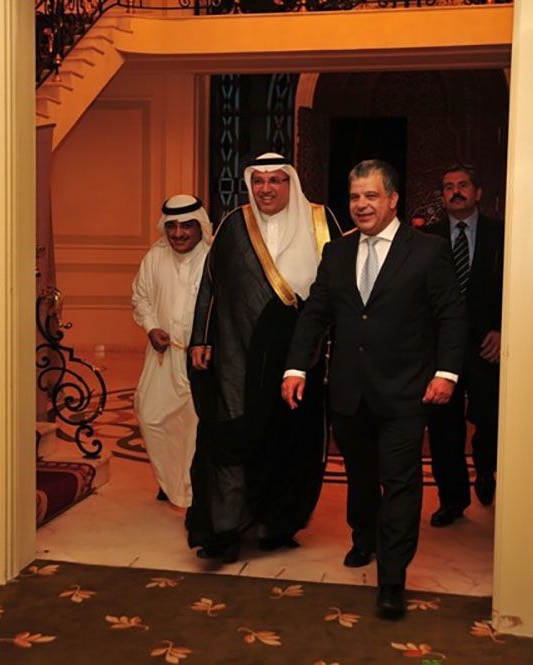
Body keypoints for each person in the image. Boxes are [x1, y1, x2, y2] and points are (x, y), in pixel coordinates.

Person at [282, 159, 466, 618]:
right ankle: (363, 538)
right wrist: (296, 368)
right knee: (361, 476)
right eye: (354, 197)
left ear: (392, 200)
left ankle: (393, 578)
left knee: (400, 481)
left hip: (407, 392)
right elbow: (316, 314)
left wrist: (447, 373)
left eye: (370, 196)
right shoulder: (337, 254)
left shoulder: (427, 251)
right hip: (348, 390)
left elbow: (451, 317)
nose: (361, 205)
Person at [187, 152, 341, 563]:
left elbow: (343, 288)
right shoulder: (235, 223)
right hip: (240, 351)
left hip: (301, 351)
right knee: (234, 430)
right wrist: (201, 337)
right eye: (259, 181)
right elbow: (211, 282)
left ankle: (279, 523)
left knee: (293, 438)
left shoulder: (321, 221)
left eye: (276, 180)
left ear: (291, 183)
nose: (267, 188)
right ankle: (225, 527)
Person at [423, 164, 504, 527]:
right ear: (442, 196)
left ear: (478, 192)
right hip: (440, 351)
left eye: (463, 185)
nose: (455, 192)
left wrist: (505, 330)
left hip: (488, 347)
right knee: (443, 428)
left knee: (489, 420)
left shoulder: (502, 235)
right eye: (448, 187)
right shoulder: (426, 240)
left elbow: (518, 286)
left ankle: (486, 473)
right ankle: (451, 499)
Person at [131, 195, 212, 509]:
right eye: (172, 226)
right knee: (151, 416)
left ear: (199, 226)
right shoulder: (155, 256)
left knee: (194, 425)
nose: (178, 233)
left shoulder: (213, 257)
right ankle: (169, 478)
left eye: (186, 225)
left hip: (201, 359)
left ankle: (190, 491)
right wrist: (151, 327)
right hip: (163, 355)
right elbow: (140, 297)